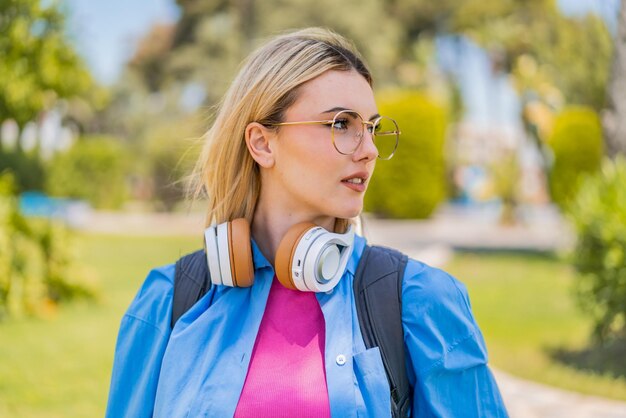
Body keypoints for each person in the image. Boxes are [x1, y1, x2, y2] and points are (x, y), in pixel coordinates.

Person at [105, 27, 509, 417]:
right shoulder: (169, 301)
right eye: (340, 124)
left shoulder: (422, 303)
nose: (368, 149)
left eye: (370, 128)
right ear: (262, 143)